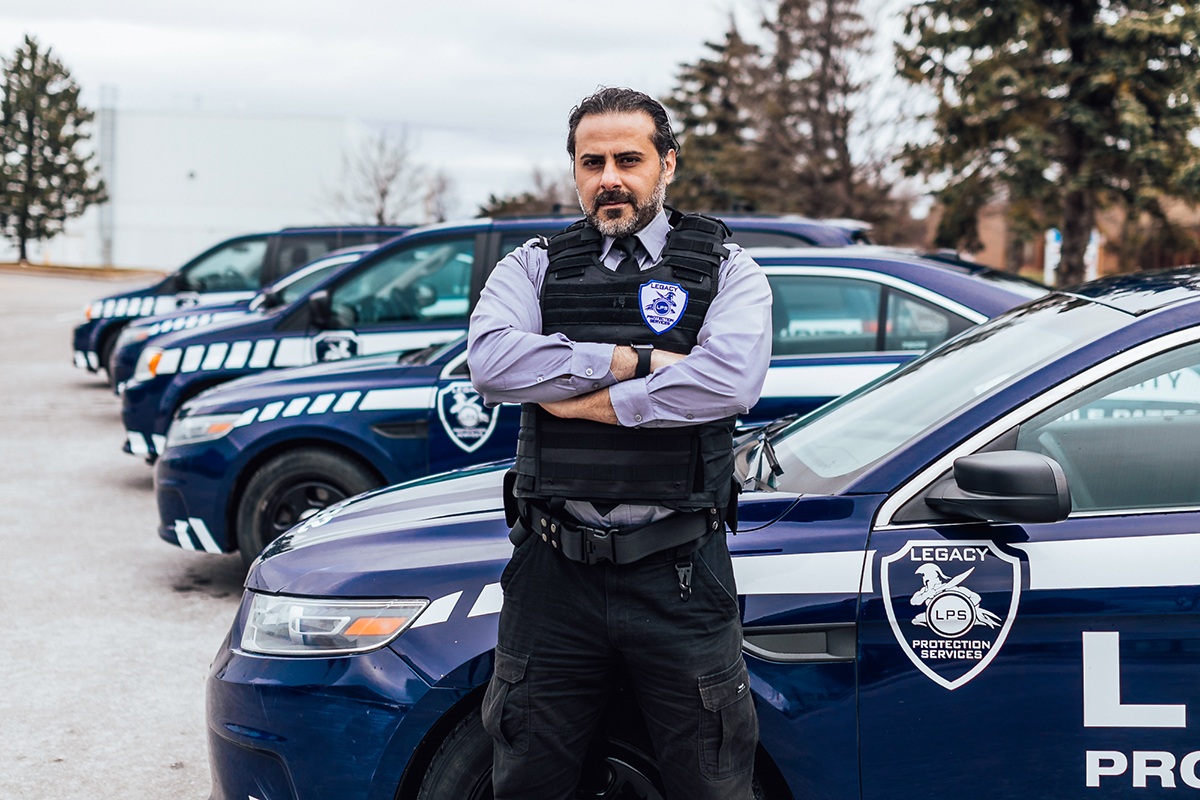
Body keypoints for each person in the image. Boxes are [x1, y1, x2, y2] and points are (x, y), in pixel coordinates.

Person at [467, 86, 773, 800]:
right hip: (552, 575)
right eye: (591, 161)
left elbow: (725, 384)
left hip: (679, 576)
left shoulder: (727, 268)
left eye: (628, 159)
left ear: (667, 164)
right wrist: (632, 362)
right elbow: (493, 364)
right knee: (527, 779)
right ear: (574, 171)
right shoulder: (533, 266)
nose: (610, 177)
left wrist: (579, 401)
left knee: (713, 780)